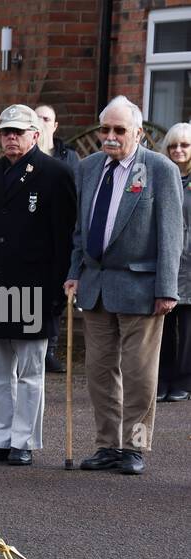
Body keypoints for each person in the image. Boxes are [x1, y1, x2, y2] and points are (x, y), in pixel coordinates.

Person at [65, 95, 183, 476]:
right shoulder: (88, 168)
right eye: (105, 129)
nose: (110, 136)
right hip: (96, 286)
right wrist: (74, 272)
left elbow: (171, 233)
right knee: (99, 373)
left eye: (119, 130)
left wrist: (167, 287)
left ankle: (134, 447)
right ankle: (107, 445)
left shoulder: (160, 169)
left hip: (142, 288)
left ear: (138, 133)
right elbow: (80, 231)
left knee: (139, 375)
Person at [0, 105, 76, 467]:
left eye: (18, 131)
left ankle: (23, 440)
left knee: (29, 372)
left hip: (34, 288)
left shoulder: (55, 174)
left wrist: (58, 291)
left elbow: (63, 238)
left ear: (35, 134)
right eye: (5, 131)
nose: (11, 137)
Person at [35, 104, 80, 372]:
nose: (41, 122)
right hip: (31, 237)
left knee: (56, 297)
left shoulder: (70, 158)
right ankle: (29, 348)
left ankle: (49, 350)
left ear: (55, 125)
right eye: (36, 117)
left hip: (61, 237)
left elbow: (75, 196)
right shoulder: (25, 158)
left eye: (46, 118)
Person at [157, 123, 191, 402]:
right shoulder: (161, 176)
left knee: (189, 329)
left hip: (190, 265)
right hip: (166, 263)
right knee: (164, 327)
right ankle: (163, 378)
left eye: (184, 145)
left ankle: (184, 380)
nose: (178, 150)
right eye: (173, 145)